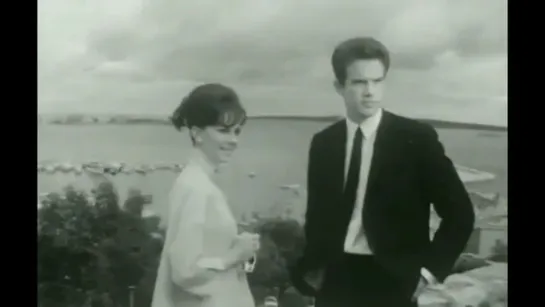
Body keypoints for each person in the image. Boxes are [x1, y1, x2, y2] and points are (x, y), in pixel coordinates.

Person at [290, 37, 476, 307]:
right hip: (336, 281)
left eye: (377, 81)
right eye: (359, 82)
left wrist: (427, 274)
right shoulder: (324, 143)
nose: (370, 91)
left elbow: (460, 214)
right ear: (339, 87)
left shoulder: (416, 139)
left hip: (395, 282)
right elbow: (318, 214)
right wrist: (312, 268)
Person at [151, 83, 260, 307]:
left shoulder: (195, 182)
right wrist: (236, 254)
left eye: (237, 131)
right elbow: (184, 270)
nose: (234, 140)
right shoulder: (197, 188)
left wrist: (238, 250)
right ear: (197, 133)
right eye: (223, 131)